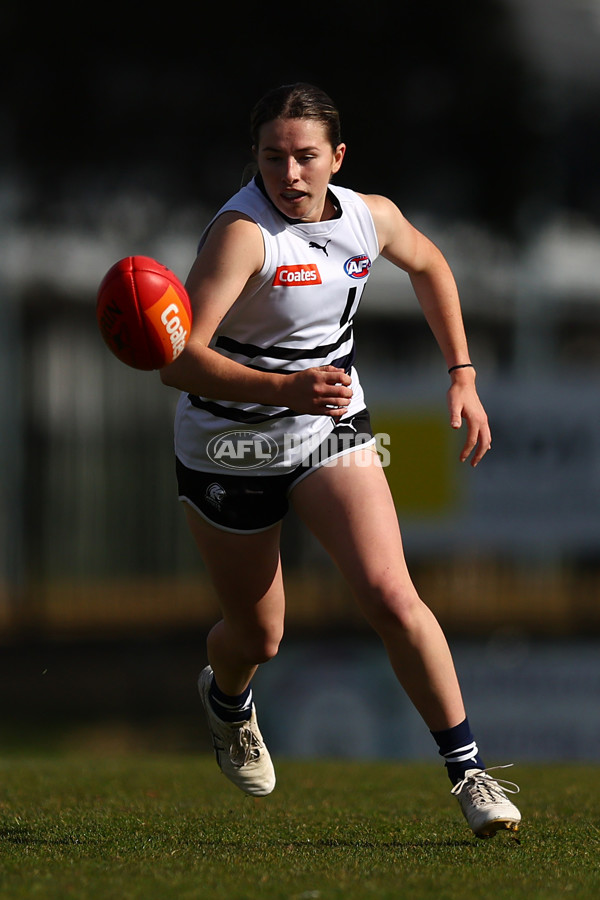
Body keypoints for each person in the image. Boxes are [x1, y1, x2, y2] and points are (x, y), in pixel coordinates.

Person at [160, 82, 521, 838]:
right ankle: (228, 700)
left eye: (304, 158)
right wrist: (283, 389)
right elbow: (179, 361)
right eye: (271, 158)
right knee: (258, 636)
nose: (288, 175)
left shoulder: (368, 215)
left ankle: (471, 774)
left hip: (328, 428)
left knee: (392, 595)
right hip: (232, 445)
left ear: (337, 158)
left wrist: (463, 372)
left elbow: (429, 266)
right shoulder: (242, 235)